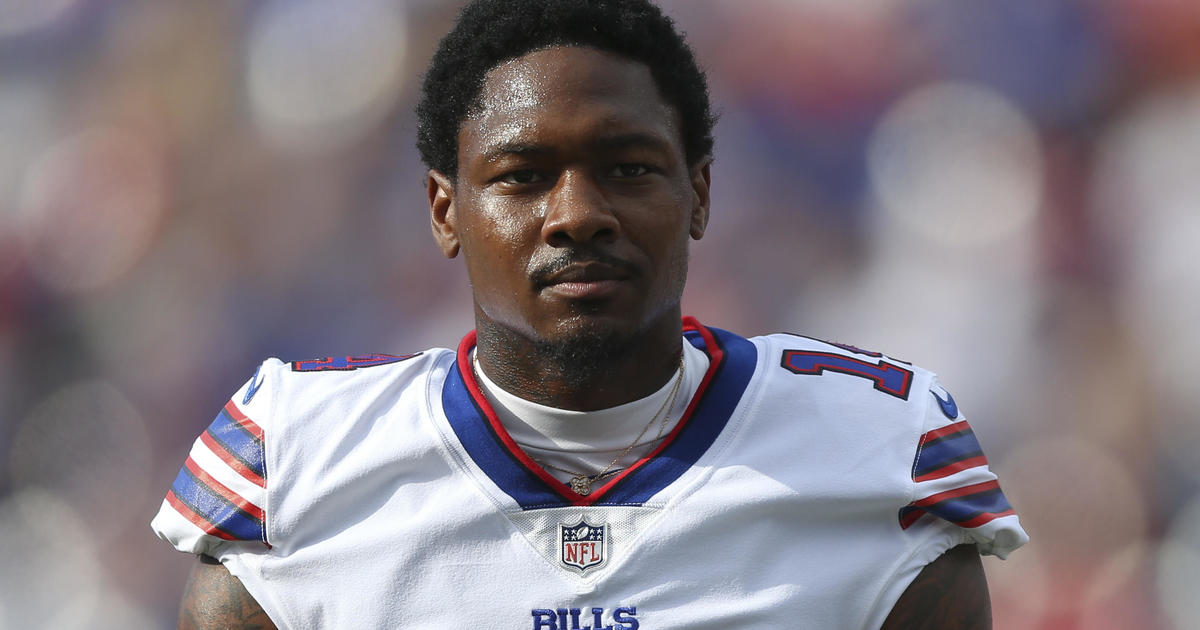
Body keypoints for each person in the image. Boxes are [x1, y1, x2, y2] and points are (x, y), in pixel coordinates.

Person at [152, 0, 1028, 628]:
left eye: (630, 167)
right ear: (444, 210)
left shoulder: (877, 453)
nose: (578, 213)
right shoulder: (296, 461)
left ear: (699, 193)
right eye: (523, 175)